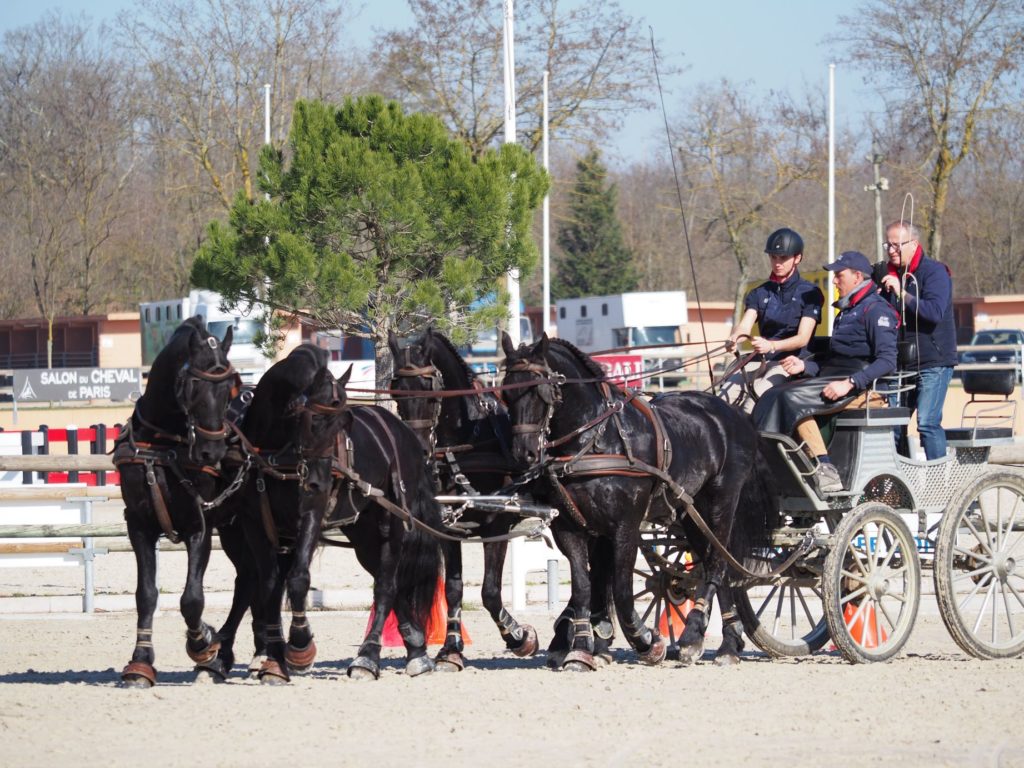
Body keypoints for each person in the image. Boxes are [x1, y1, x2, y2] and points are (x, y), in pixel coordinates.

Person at [753, 250, 898, 493]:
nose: (834, 281)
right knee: (773, 393)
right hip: (835, 377)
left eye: (839, 275)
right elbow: (834, 359)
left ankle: (825, 468)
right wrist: (805, 366)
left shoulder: (875, 310)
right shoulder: (847, 311)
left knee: (790, 399)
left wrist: (850, 383)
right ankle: (772, 464)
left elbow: (888, 361)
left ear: (857, 276)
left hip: (864, 388)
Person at [872, 220, 956, 460]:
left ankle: (939, 482)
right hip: (900, 363)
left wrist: (902, 293)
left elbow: (934, 312)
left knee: (927, 423)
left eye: (897, 245)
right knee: (894, 425)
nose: (891, 250)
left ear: (914, 244)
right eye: (888, 245)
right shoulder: (887, 275)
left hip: (933, 360)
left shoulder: (934, 272)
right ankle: (900, 484)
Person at [720, 228, 824, 412]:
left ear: (797, 258)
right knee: (722, 399)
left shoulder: (810, 293)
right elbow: (745, 325)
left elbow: (803, 338)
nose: (777, 263)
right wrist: (734, 338)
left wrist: (772, 346)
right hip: (760, 361)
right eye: (773, 257)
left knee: (754, 402)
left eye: (783, 258)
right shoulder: (759, 293)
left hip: (790, 362)